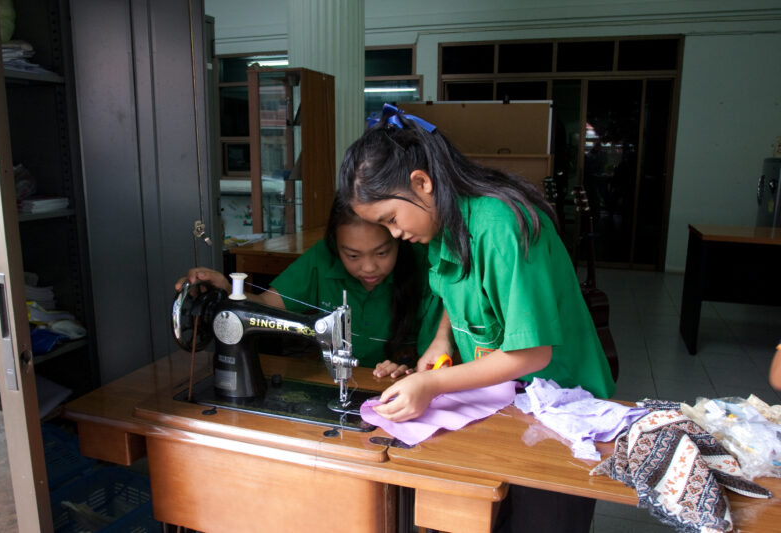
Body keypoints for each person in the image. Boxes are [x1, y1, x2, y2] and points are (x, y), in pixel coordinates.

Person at [338, 103, 616, 532]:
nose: (395, 234)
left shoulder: (501, 225)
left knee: (542, 520)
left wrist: (430, 384)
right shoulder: (441, 225)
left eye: (391, 219)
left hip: (562, 403)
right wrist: (442, 340)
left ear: (422, 183)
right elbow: (458, 288)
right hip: (504, 399)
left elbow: (532, 354)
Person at [176, 195, 442, 373]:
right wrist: (227, 290)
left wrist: (410, 373)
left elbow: (436, 359)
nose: (369, 267)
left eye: (382, 253)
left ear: (398, 238)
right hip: (340, 381)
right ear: (335, 245)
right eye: (352, 255)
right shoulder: (321, 259)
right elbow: (266, 306)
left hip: (402, 391)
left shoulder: (426, 267)